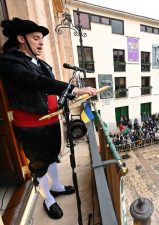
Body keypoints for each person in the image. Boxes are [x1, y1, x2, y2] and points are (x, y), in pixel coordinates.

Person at [0, 18, 97, 220]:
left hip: (51, 119)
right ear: (20, 38)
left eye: (41, 38)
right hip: (31, 125)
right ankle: (48, 199)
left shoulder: (40, 62)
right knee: (38, 164)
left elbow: (51, 86)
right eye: (36, 38)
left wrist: (71, 96)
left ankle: (57, 187)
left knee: (53, 155)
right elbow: (37, 82)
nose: (41, 42)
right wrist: (75, 89)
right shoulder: (9, 62)